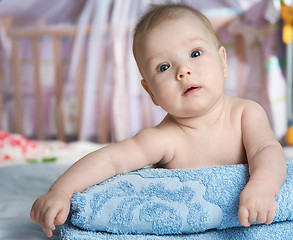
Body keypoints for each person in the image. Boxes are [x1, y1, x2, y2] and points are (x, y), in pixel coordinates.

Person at [30, 3, 286, 237]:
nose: (183, 71)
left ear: (222, 61)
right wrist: (61, 191)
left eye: (195, 53)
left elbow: (267, 150)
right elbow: (110, 159)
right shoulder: (164, 138)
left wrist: (263, 186)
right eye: (163, 67)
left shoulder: (245, 114)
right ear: (151, 92)